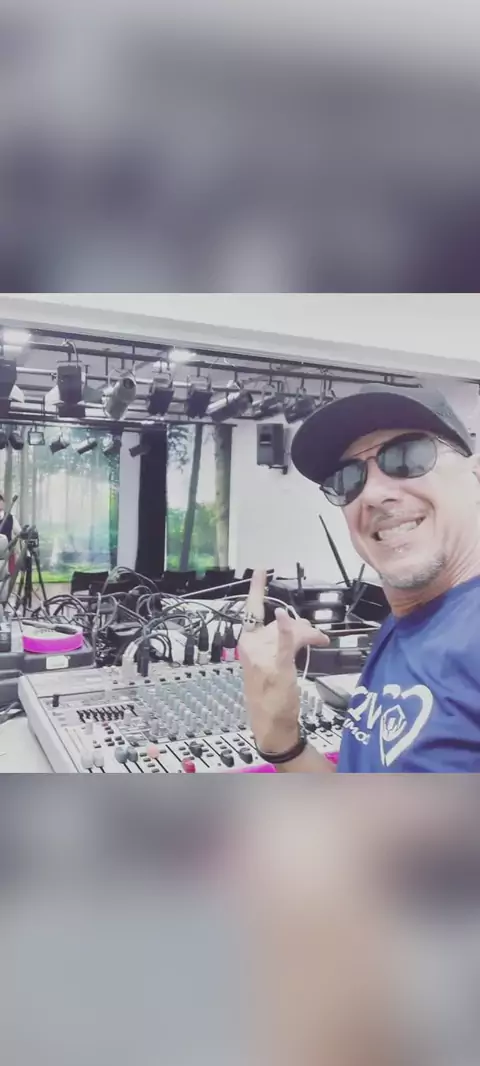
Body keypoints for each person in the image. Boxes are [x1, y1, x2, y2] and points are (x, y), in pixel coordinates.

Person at [239, 383, 480, 772]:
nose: (372, 494)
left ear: (476, 475)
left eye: (407, 456)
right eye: (348, 478)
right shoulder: (405, 624)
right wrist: (283, 742)